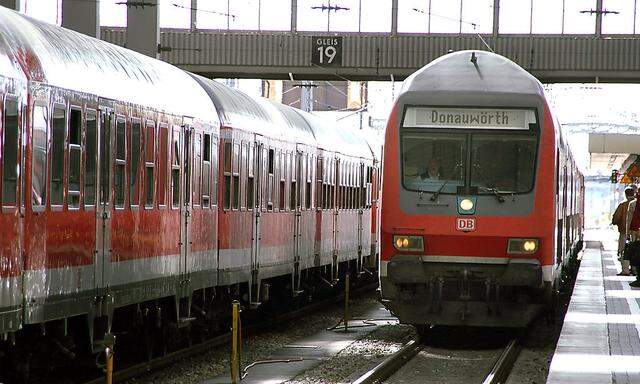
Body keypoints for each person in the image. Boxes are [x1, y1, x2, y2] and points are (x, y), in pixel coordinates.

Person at [613, 188, 635, 275]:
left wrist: (615, 222)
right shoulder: (636, 203)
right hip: (636, 232)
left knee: (624, 250)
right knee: (635, 250)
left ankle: (625, 270)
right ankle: (634, 270)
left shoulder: (623, 205)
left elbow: (616, 218)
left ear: (626, 195)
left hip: (624, 232)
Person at [626, 189, 640, 287]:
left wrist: (627, 233)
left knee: (637, 255)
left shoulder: (633, 203)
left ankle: (638, 277)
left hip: (636, 232)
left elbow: (629, 220)